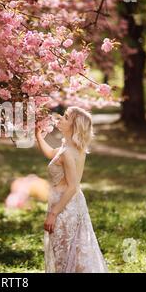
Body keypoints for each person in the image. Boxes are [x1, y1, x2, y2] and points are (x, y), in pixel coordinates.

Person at [35, 106, 108, 273]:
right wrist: (38, 135)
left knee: (64, 255)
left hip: (65, 206)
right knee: (74, 253)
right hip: (71, 203)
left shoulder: (68, 152)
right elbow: (50, 153)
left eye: (66, 117)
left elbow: (72, 186)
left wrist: (53, 213)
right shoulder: (68, 147)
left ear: (74, 126)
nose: (60, 118)